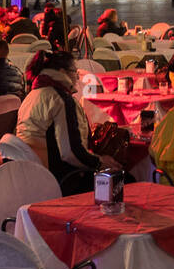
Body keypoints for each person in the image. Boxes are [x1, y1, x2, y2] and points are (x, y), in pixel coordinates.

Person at [16, 50, 110, 191]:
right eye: (74, 72)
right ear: (62, 72)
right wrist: (100, 162)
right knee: (123, 179)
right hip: (59, 177)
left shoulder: (33, 94)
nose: (77, 78)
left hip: (32, 171)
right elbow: (70, 152)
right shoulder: (60, 99)